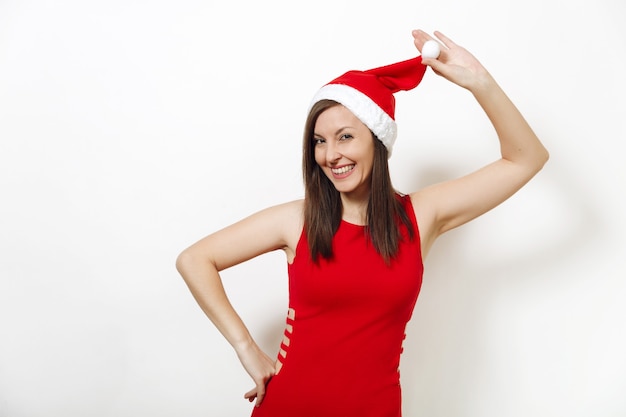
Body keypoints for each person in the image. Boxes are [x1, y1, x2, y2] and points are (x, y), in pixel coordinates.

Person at [176, 29, 549, 417]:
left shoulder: (421, 216)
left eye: (345, 137)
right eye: (319, 141)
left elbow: (526, 159)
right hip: (288, 407)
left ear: (377, 140)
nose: (330, 154)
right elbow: (195, 259)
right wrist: (245, 347)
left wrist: (479, 82)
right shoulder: (297, 220)